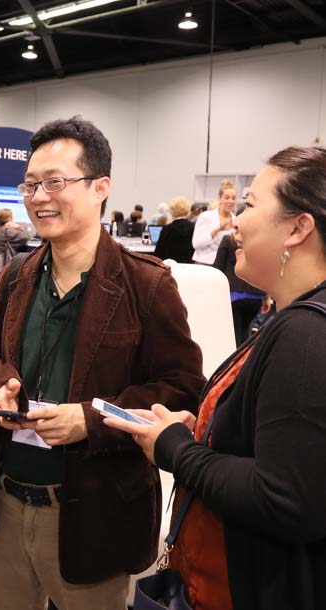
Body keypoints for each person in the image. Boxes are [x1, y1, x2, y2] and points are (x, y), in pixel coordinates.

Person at [0, 116, 204, 610]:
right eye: (30, 184)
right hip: (4, 499)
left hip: (92, 510)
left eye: (55, 182)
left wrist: (90, 419)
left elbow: (180, 387)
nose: (38, 196)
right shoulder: (16, 277)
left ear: (99, 188)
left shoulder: (147, 285)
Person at [103, 145, 326, 610]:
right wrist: (205, 433)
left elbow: (285, 497)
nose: (235, 221)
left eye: (250, 205)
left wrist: (174, 448)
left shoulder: (305, 334)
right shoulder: (295, 322)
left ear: (298, 227)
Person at [0, 208, 31, 288]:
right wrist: (18, 226)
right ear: (9, 219)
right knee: (0, 295)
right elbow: (26, 236)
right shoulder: (6, 231)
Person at [192, 179, 236, 264]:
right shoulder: (206, 216)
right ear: (220, 198)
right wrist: (217, 230)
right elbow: (196, 244)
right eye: (227, 198)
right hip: (204, 263)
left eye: (233, 198)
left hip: (225, 264)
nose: (230, 201)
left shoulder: (235, 220)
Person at [153, 196, 195, 263]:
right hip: (189, 266)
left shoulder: (167, 229)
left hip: (170, 267)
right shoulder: (194, 228)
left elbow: (158, 253)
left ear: (172, 211)